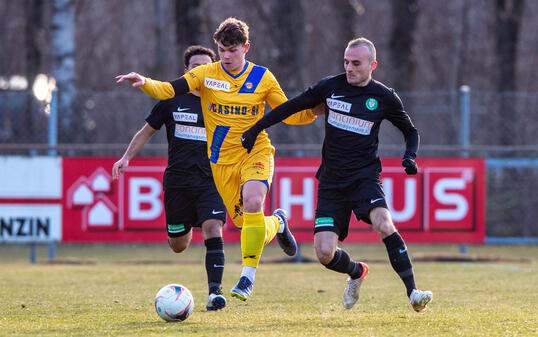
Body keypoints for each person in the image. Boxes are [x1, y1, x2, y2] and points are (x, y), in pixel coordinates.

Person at [116, 17, 323, 301]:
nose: (226, 56)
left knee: (253, 201)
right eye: (222, 50)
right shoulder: (206, 74)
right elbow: (169, 90)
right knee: (248, 225)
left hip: (256, 152)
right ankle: (278, 223)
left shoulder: (263, 77)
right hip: (221, 164)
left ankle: (246, 279)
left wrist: (316, 110)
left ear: (246, 48)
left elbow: (290, 113)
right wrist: (145, 82)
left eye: (232, 50)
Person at [241, 37, 433, 312]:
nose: (349, 68)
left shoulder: (384, 97)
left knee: (384, 223)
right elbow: (291, 106)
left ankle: (414, 293)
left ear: (372, 65)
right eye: (346, 62)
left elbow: (411, 130)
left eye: (356, 63)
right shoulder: (330, 87)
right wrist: (256, 128)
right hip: (332, 182)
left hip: (365, 177)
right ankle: (356, 271)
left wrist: (409, 156)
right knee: (324, 253)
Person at [112, 45, 228, 311]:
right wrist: (126, 157)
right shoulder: (171, 100)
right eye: (195, 67)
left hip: (212, 180)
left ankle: (215, 294)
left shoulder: (225, 101)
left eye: (206, 67)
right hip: (178, 182)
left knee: (213, 227)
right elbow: (145, 132)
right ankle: (183, 232)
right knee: (178, 245)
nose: (201, 71)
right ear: (186, 72)